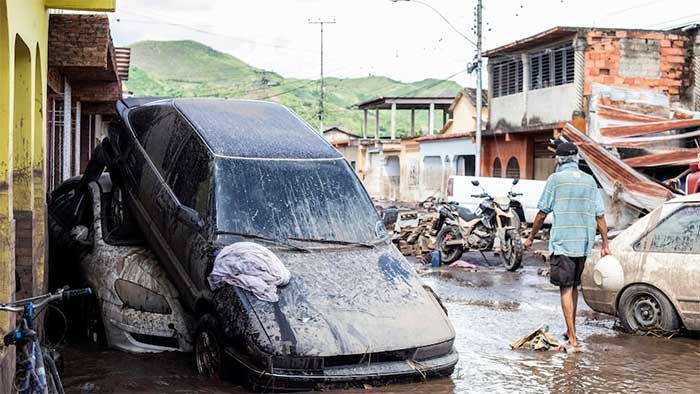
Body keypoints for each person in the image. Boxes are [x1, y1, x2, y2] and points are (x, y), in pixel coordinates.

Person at [524, 142, 610, 348]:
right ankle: (570, 329)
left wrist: (530, 237)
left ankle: (572, 337)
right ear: (577, 159)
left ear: (560, 159)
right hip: (583, 243)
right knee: (574, 288)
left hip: (563, 242)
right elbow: (600, 215)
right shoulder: (590, 181)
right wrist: (606, 244)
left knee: (565, 288)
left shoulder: (555, 180)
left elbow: (542, 212)